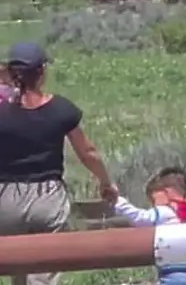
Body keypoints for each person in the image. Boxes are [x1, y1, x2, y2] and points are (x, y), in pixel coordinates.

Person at [0, 42, 119, 285]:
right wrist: (106, 183)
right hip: (48, 196)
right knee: (44, 272)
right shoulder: (60, 109)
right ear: (42, 72)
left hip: (6, 197)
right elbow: (88, 153)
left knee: (17, 267)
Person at [110, 166, 186, 285]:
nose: (153, 205)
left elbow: (139, 217)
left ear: (165, 192)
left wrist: (117, 201)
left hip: (172, 277)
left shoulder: (163, 212)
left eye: (153, 200)